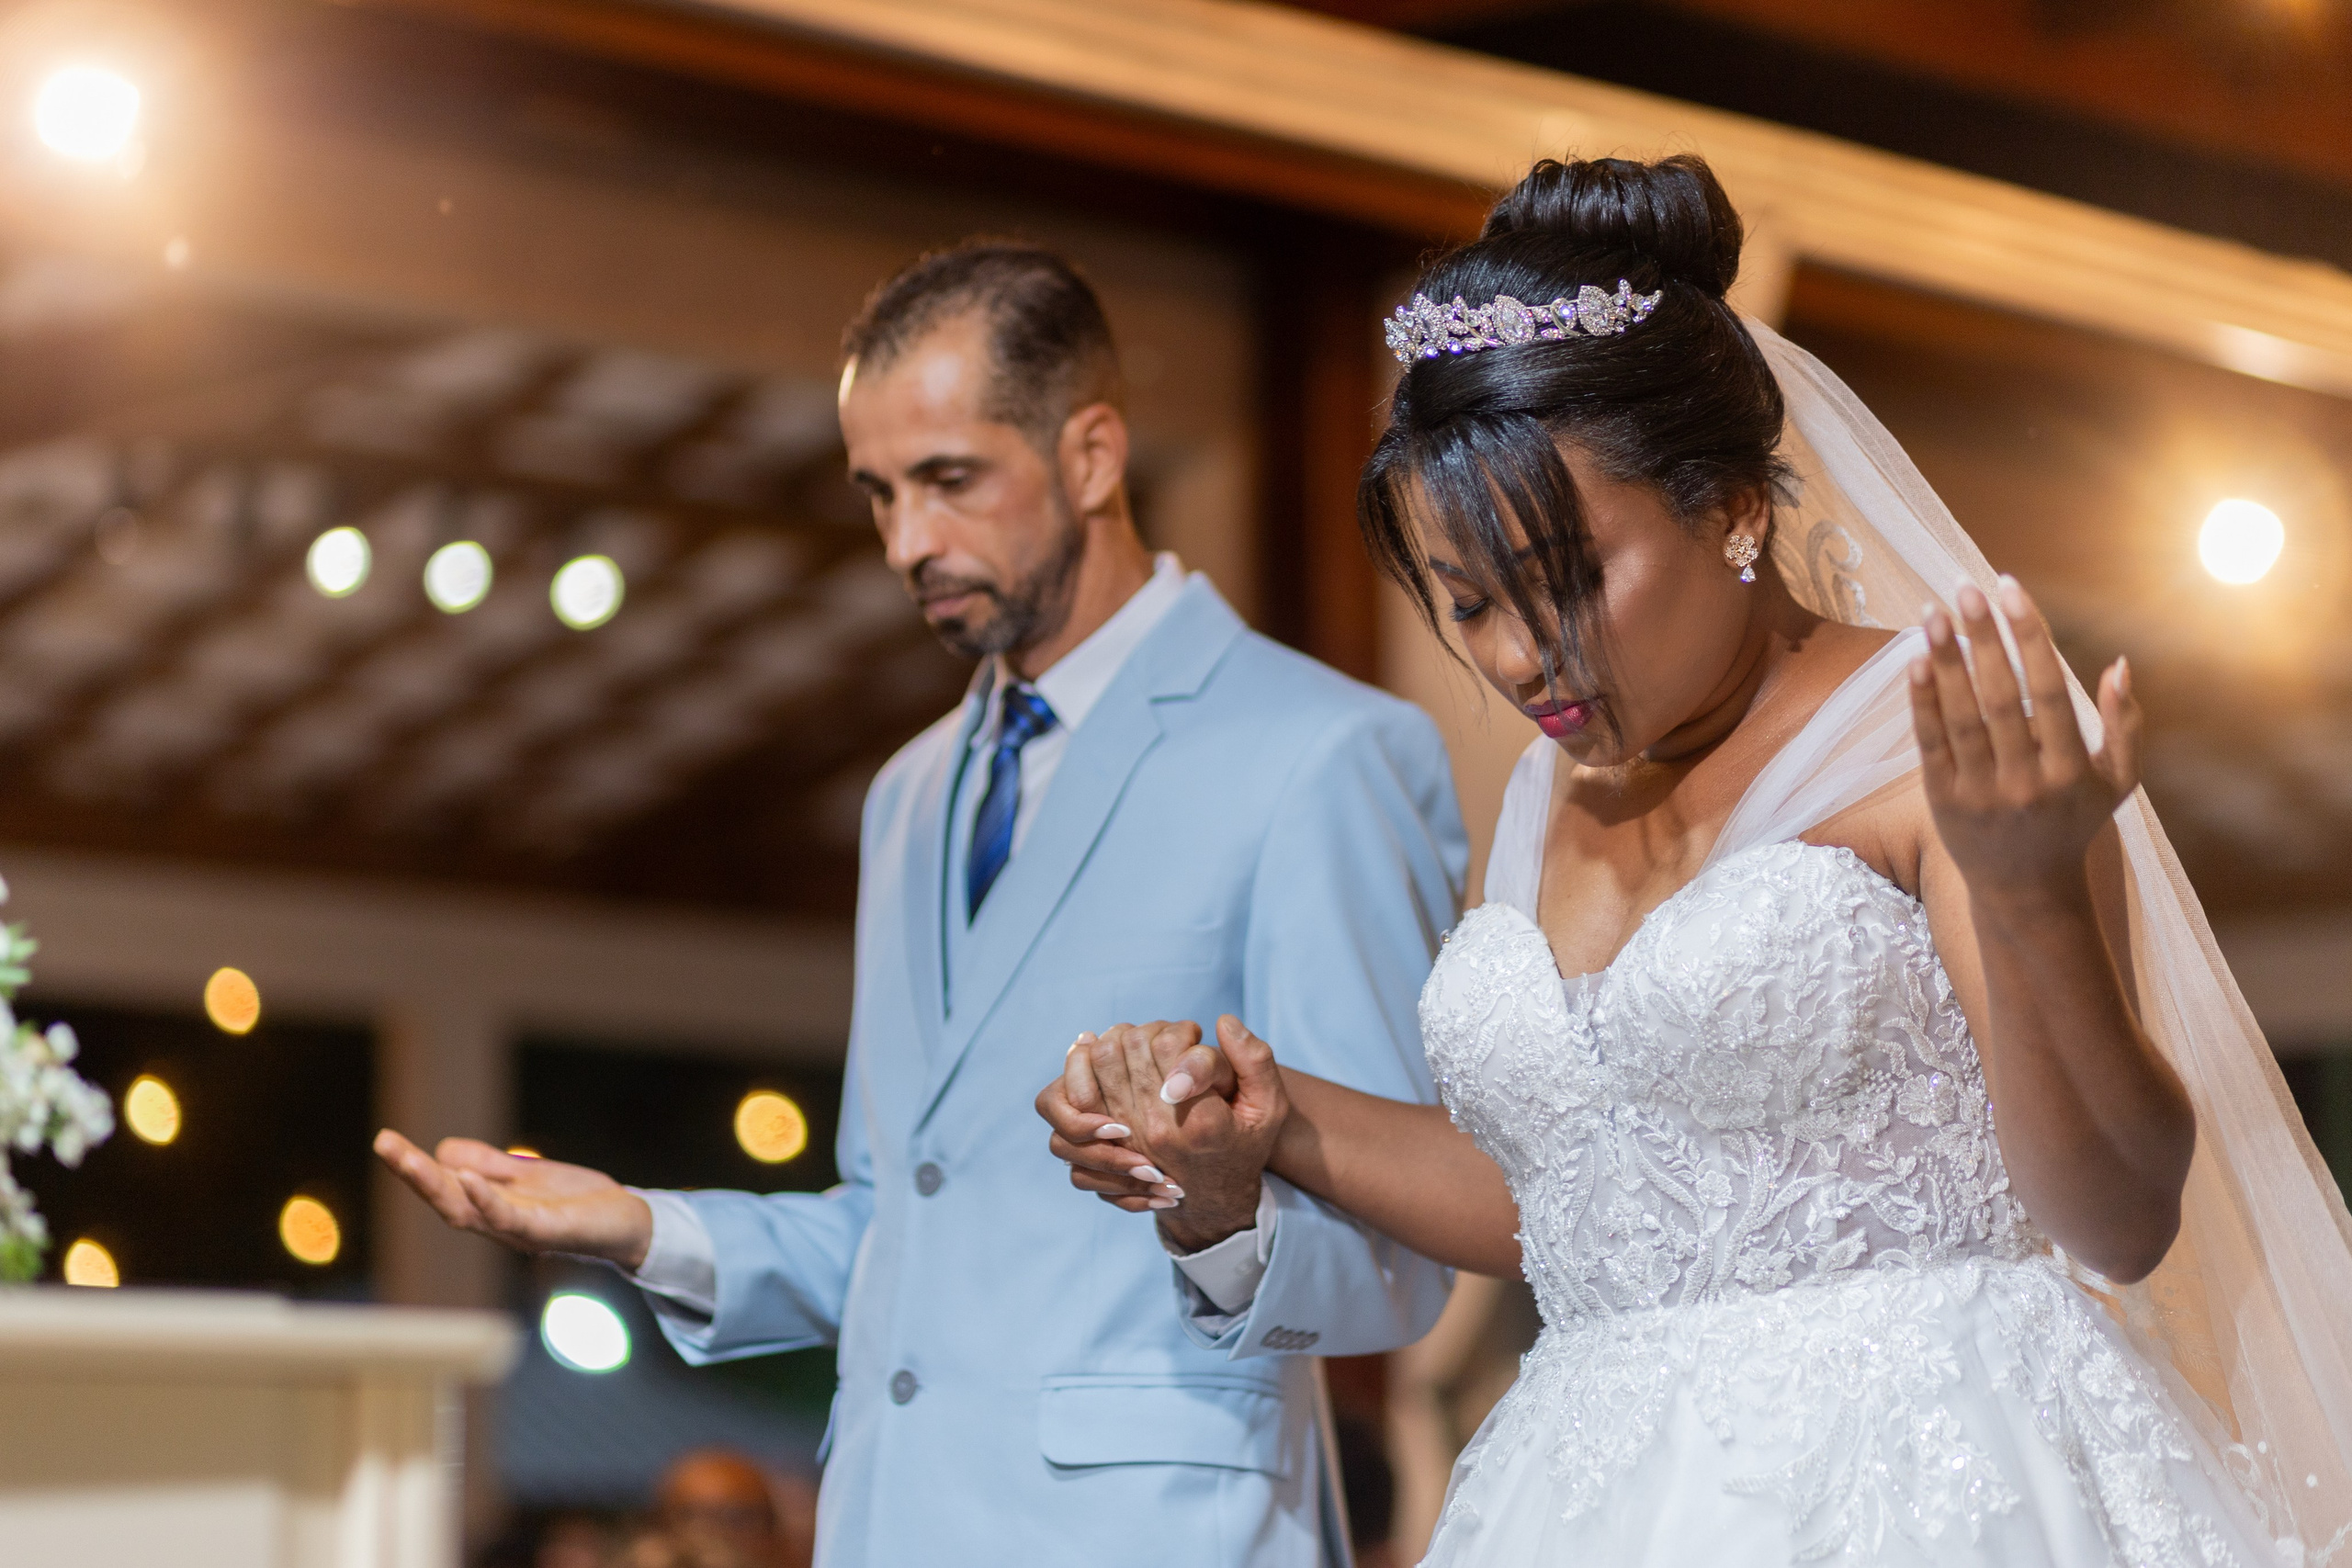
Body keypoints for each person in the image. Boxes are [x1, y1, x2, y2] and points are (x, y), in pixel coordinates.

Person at [1043, 156, 2352, 1563]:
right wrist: (1269, 1116)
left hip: (1927, 1481)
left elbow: (2122, 1218)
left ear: (1732, 509)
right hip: (1596, 1495)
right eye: (1470, 604)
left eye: (1568, 580)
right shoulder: (1549, 789)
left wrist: (2032, 891)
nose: (1519, 657)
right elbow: (1582, 1199)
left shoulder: (1933, 738)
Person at [375, 240, 1467, 1566]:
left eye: (950, 481)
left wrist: (1218, 1214)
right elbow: (904, 1221)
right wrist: (641, 1226)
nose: (908, 543)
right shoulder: (907, 794)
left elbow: (1402, 1259)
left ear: (1093, 454)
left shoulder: (1321, 752)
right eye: (879, 495)